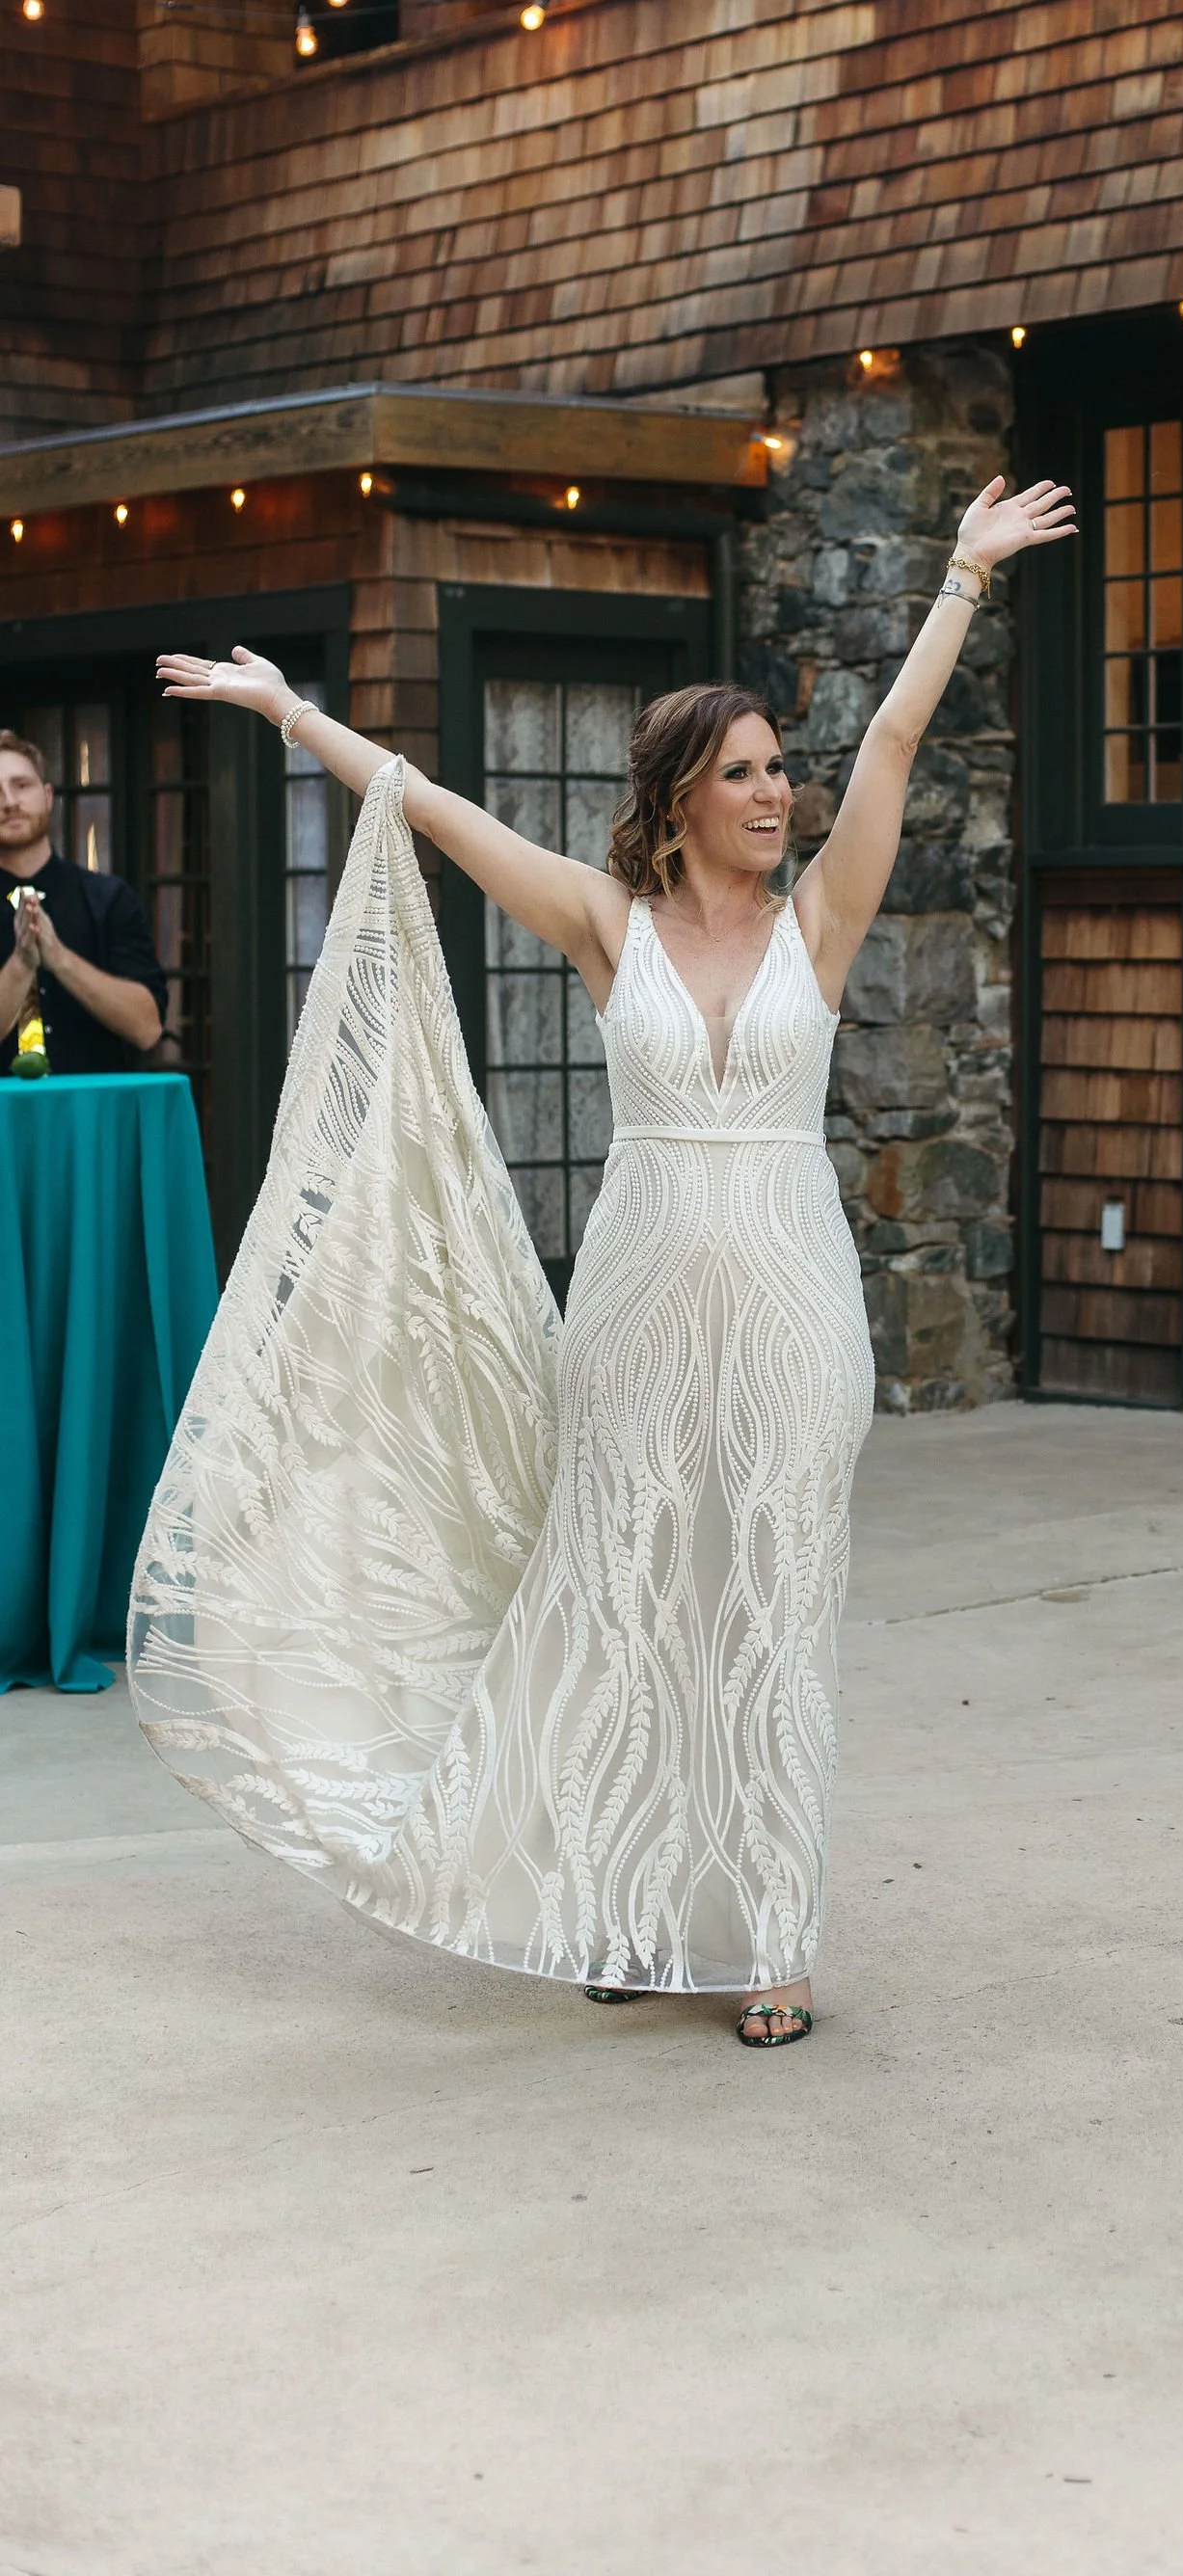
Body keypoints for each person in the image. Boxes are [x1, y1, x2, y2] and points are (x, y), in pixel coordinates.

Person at [130, 474, 1075, 2047]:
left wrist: (962, 580)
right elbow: (425, 807)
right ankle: (632, 1907)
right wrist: (294, 711)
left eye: (782, 768)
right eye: (747, 771)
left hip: (783, 1302)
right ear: (682, 792)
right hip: (632, 1308)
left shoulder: (820, 922)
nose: (777, 793)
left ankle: (768, 1935)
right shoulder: (601, 918)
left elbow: (899, 743)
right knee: (631, 1610)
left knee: (767, 1609)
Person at [0, 731, 167, 1072]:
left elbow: (147, 1029)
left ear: (48, 796)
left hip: (93, 1114)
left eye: (21, 785)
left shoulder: (108, 899)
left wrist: (58, 957)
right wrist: (21, 964)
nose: (8, 801)